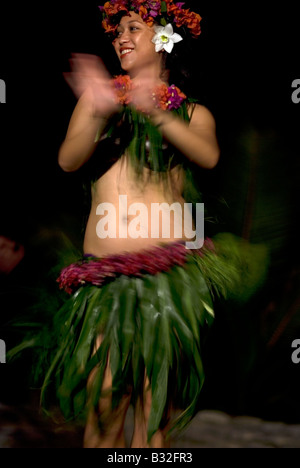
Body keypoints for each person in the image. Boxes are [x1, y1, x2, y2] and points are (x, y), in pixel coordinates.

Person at [10, 0, 267, 449]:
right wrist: (100, 110)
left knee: (154, 417)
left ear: (166, 38)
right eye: (116, 32)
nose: (120, 38)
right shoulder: (98, 100)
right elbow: (68, 160)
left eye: (133, 28)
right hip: (103, 282)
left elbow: (207, 155)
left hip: (165, 283)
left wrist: (156, 112)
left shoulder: (192, 114)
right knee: (105, 404)